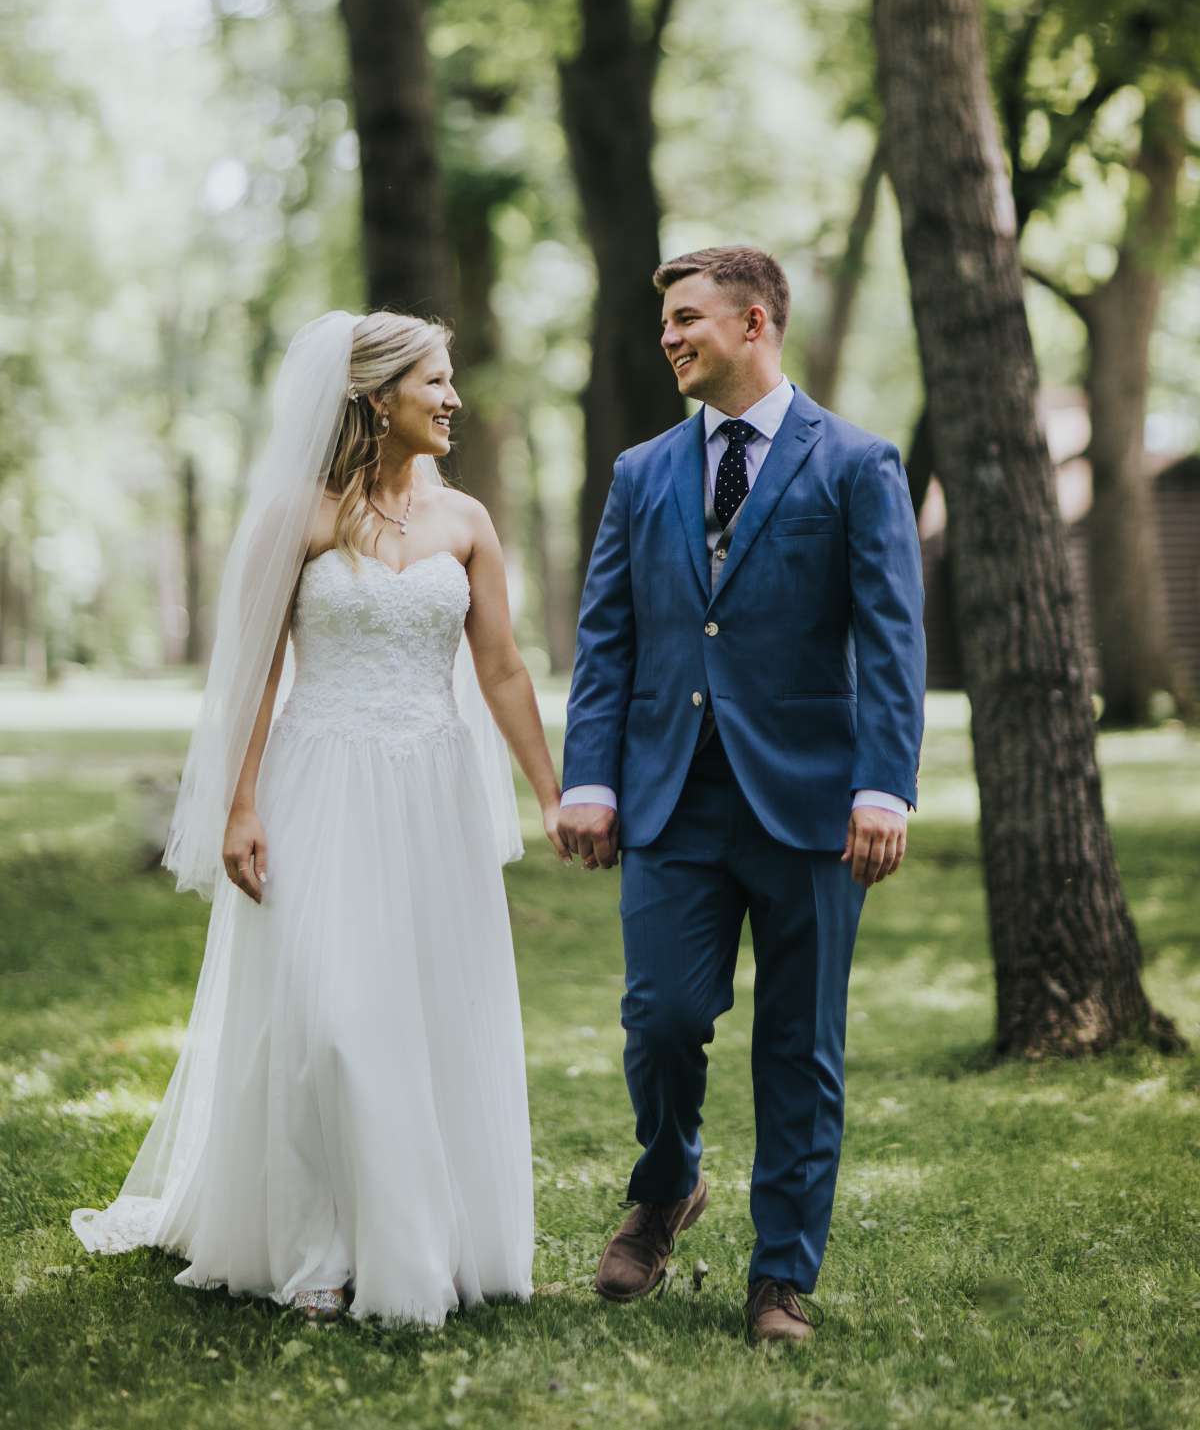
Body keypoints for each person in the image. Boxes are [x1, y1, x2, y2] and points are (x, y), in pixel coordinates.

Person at [72, 310, 562, 1324]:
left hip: (433, 789)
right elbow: (252, 669)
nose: (454, 396)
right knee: (327, 1017)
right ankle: (314, 1252)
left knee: (423, 1011)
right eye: (435, 379)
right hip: (317, 781)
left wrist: (554, 793)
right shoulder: (296, 514)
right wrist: (239, 801)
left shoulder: (466, 519)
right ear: (377, 397)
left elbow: (503, 667)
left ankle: (427, 1238)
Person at [557, 247, 926, 1347]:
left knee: (799, 1044)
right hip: (672, 797)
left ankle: (780, 1277)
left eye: (687, 318)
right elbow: (607, 633)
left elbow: (893, 636)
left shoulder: (857, 462)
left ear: (754, 320)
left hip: (814, 802)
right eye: (666, 320)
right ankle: (667, 1182)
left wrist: (882, 784)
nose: (669, 335)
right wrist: (590, 773)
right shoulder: (641, 471)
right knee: (662, 1017)